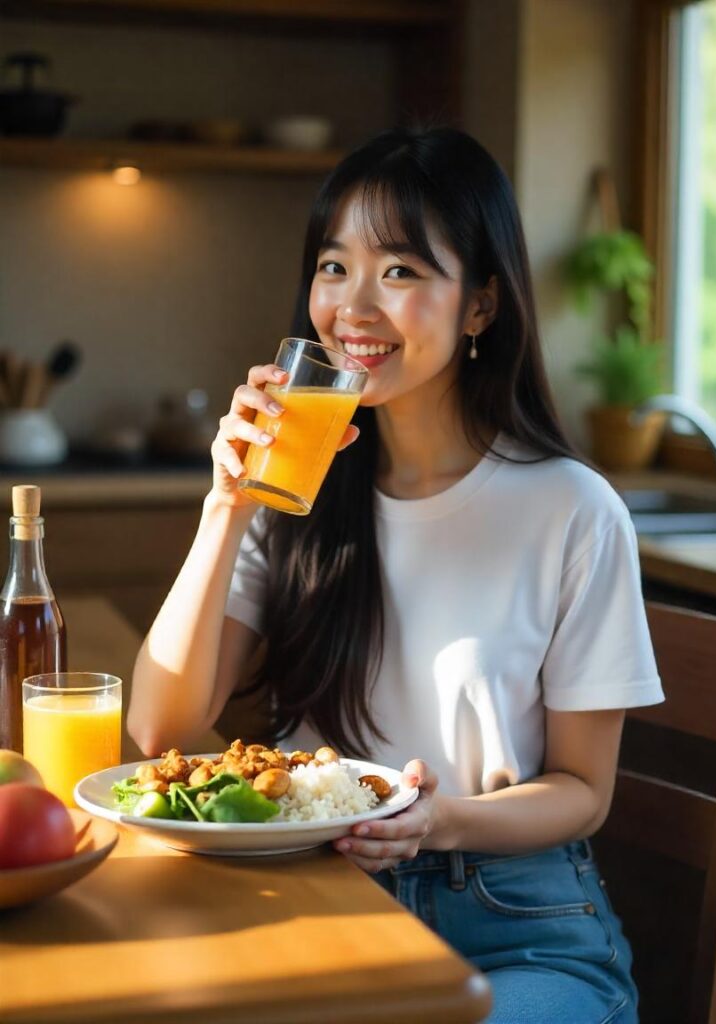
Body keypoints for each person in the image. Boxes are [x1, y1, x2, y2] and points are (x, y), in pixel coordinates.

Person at [128, 126, 664, 1024]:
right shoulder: (296, 490)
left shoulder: (573, 510)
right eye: (334, 267)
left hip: (515, 922)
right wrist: (226, 507)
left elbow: (583, 792)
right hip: (316, 897)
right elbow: (160, 725)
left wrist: (439, 820)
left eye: (402, 273)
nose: (353, 307)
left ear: (481, 307)